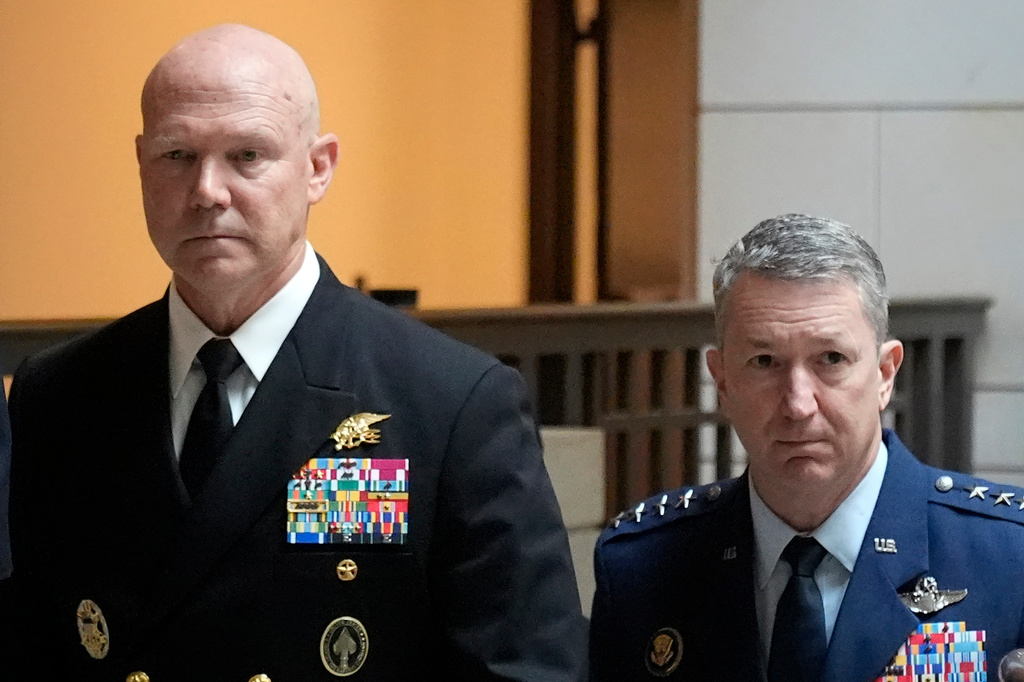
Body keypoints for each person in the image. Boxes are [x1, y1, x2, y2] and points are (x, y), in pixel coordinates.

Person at [4, 24, 586, 681]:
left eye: (247, 155)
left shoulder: (451, 404)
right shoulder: (60, 395)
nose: (208, 191)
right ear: (141, 162)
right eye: (177, 156)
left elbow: (526, 667)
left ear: (317, 168)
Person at [589, 214, 1024, 681]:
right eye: (765, 362)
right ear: (722, 382)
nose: (798, 405)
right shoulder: (641, 568)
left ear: (884, 374)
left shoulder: (1007, 555)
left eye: (831, 359)